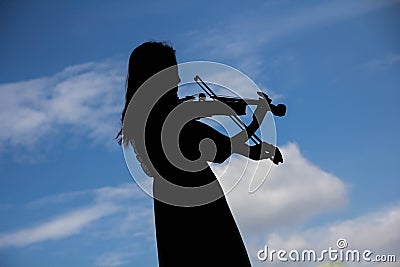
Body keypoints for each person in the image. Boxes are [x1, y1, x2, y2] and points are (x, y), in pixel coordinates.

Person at [117, 41, 281, 266]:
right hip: (198, 204)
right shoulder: (170, 119)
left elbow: (214, 147)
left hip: (169, 209)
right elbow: (223, 148)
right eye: (171, 72)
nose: (176, 80)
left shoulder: (141, 121)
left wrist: (254, 148)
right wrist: (259, 115)